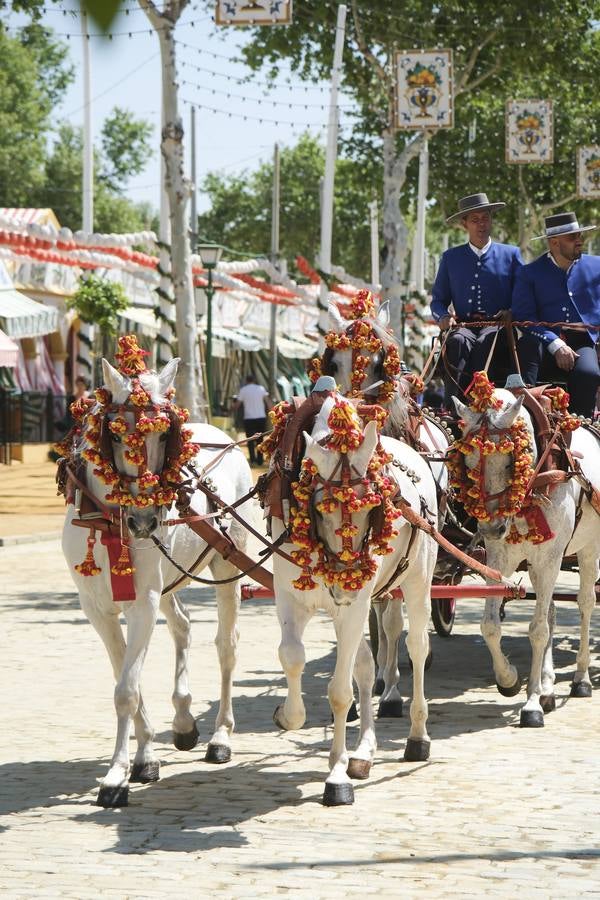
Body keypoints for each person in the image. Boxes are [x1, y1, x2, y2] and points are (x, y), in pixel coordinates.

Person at [431, 192, 523, 406]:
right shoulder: (450, 258)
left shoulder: (511, 255)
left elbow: (524, 296)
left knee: (485, 342)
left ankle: (484, 404)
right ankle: (453, 406)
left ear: (491, 220)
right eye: (475, 220)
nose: (481, 224)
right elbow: (437, 301)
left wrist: (512, 311)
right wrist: (443, 316)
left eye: (485, 218)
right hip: (463, 326)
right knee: (456, 341)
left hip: (498, 328)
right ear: (464, 224)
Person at [514, 211, 600, 419]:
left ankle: (581, 427)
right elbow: (523, 316)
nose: (579, 241)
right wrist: (554, 343)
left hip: (582, 341)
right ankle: (526, 422)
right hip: (542, 341)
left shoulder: (596, 266)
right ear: (554, 242)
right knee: (527, 349)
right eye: (572, 237)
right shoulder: (529, 273)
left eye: (580, 235)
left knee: (588, 373)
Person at [233, 373, 272, 466]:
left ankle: (252, 459)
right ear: (254, 380)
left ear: (246, 381)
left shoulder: (243, 390)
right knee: (260, 439)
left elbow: (237, 405)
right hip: (261, 417)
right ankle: (260, 460)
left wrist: (232, 408)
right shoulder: (261, 389)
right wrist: (272, 411)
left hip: (249, 418)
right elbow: (268, 402)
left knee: (250, 440)